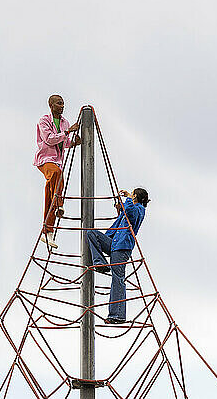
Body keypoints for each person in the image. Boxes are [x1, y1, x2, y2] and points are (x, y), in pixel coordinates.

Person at [87, 188, 149, 324]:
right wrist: (120, 206)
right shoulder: (129, 209)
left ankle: (117, 315)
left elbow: (130, 214)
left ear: (137, 197)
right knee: (91, 233)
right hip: (114, 243)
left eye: (133, 195)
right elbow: (125, 214)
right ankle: (100, 263)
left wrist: (127, 199)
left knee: (118, 279)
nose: (131, 196)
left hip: (122, 247)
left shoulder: (139, 209)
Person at [34, 95, 81, 249]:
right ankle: (59, 204)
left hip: (58, 162)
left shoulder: (64, 122)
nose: (62, 106)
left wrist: (74, 142)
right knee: (55, 174)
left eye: (63, 104)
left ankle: (48, 231)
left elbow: (65, 142)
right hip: (46, 159)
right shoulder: (44, 121)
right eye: (59, 104)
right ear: (51, 105)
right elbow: (49, 139)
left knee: (50, 190)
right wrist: (68, 131)